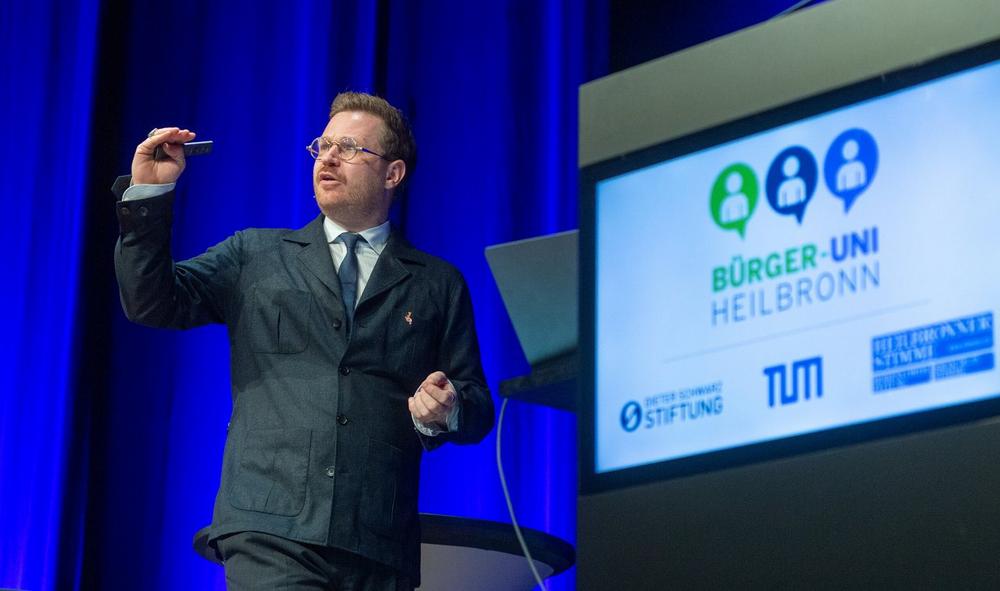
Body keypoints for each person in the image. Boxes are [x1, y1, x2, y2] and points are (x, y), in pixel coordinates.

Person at [113, 92, 495, 590]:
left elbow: (475, 404)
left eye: (349, 148)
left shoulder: (436, 283)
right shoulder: (255, 254)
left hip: (378, 544)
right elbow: (151, 301)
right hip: (270, 530)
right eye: (322, 146)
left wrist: (446, 409)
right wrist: (150, 194)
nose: (328, 159)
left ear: (393, 173)